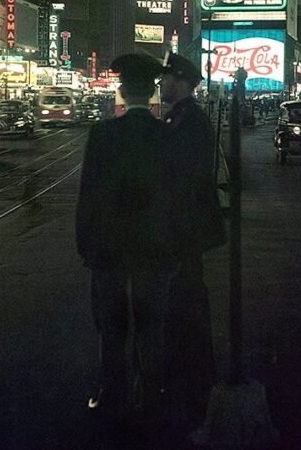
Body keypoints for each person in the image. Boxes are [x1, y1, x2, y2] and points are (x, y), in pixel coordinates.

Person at [76, 53, 187, 447]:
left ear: (122, 90)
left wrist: (86, 244)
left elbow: (89, 195)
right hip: (154, 248)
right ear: (152, 89)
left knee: (111, 327)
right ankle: (150, 397)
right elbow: (177, 198)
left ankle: (113, 395)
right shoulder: (167, 135)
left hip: (110, 248)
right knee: (151, 326)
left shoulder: (103, 134)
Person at [160, 53, 227, 435]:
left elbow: (182, 182)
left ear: (181, 80)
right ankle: (192, 396)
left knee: (188, 315)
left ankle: (198, 403)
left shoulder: (190, 123)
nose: (161, 84)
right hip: (185, 233)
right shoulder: (183, 118)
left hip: (183, 234)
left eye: (166, 77)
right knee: (184, 313)